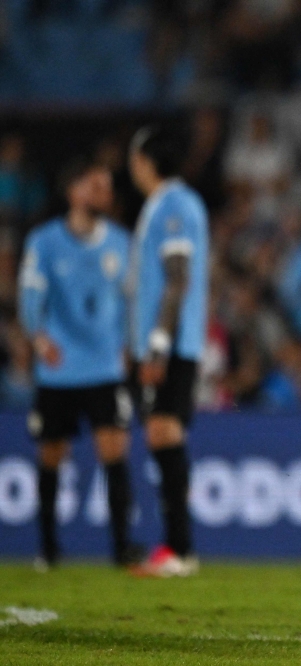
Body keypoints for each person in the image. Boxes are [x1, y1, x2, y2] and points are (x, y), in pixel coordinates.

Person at [17, 159, 141, 570]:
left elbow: (133, 301)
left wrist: (131, 345)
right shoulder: (45, 241)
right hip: (60, 366)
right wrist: (37, 336)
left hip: (105, 365)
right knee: (52, 453)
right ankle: (49, 548)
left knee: (114, 451)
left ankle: (122, 547)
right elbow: (31, 293)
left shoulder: (121, 243)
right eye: (95, 185)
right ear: (74, 192)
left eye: (107, 186)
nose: (104, 193)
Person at [127, 126, 210, 578]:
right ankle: (178, 549)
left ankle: (179, 550)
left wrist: (157, 344)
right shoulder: (169, 204)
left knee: (163, 432)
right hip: (169, 342)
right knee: (163, 433)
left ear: (144, 160)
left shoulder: (174, 204)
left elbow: (177, 279)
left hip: (173, 343)